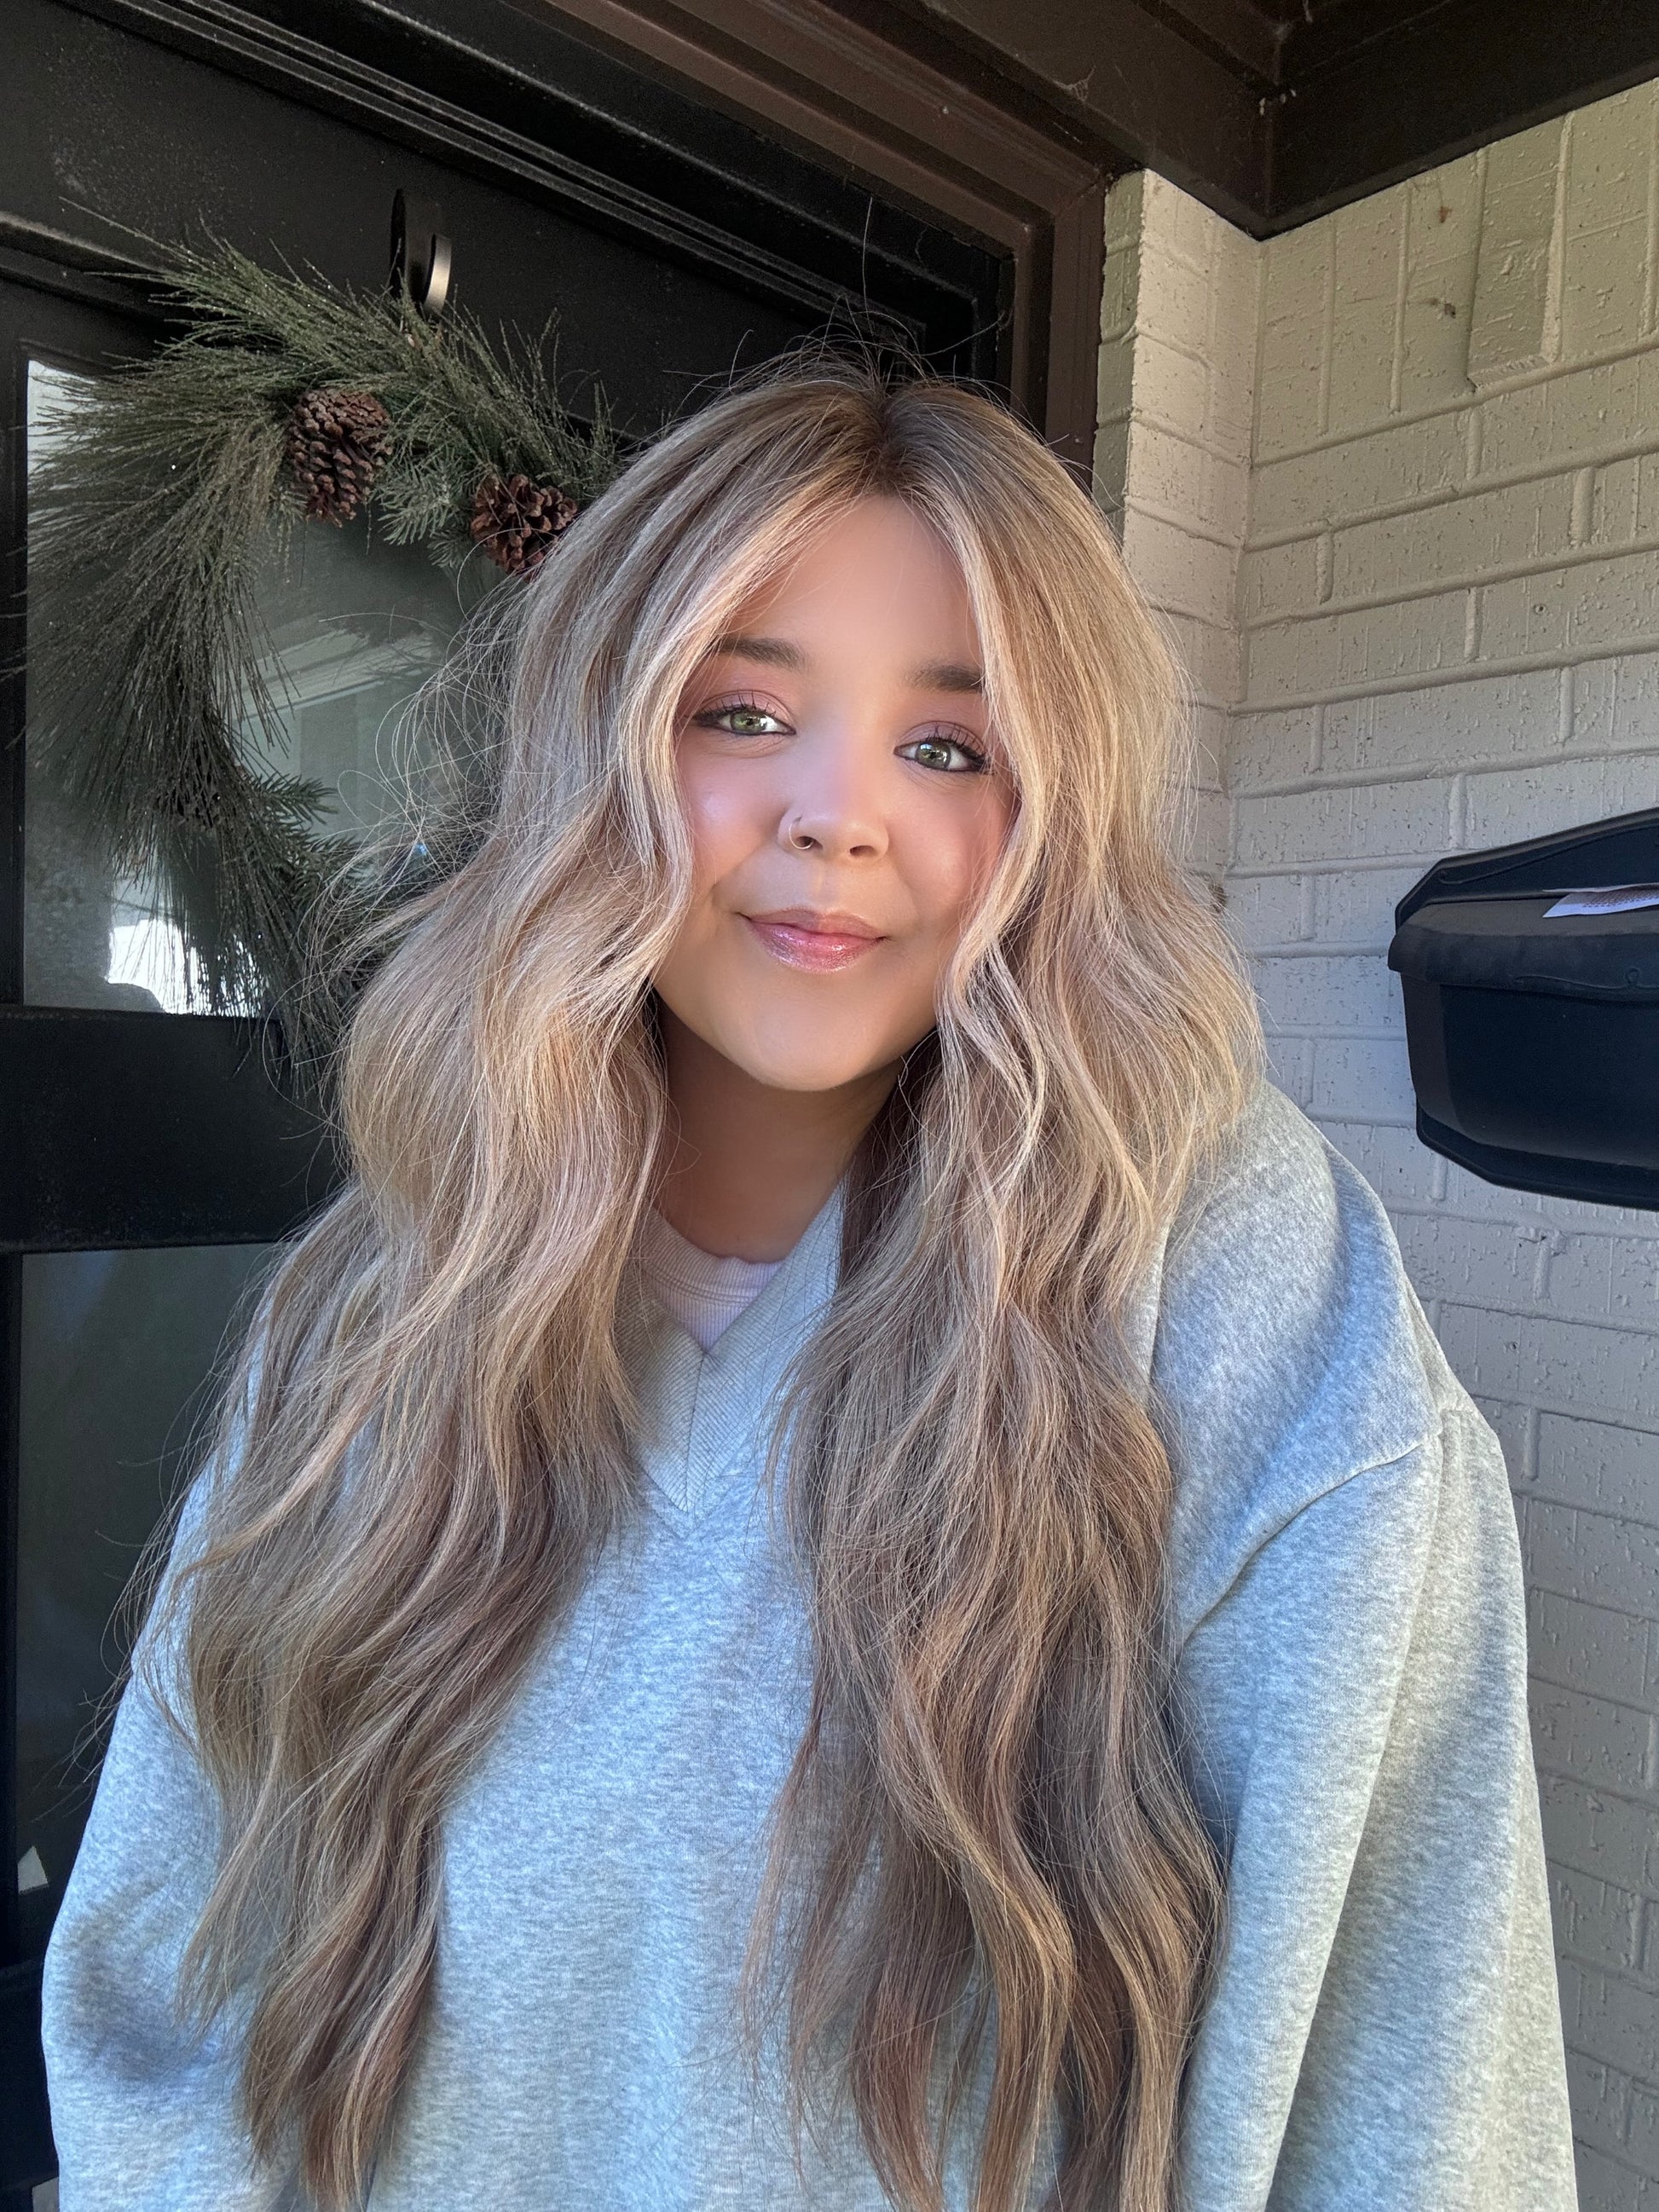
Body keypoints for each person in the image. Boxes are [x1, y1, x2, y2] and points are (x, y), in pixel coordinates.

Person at [41, 355, 1577, 2212]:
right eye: (743, 711)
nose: (838, 814)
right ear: (600, 752)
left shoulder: (1233, 1301)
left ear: (1053, 817)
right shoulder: (393, 1298)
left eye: (948, 746)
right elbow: (166, 1966)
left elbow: (1408, 2069)